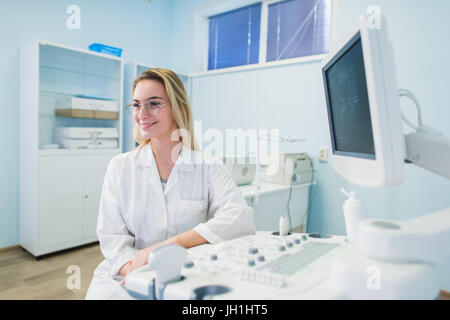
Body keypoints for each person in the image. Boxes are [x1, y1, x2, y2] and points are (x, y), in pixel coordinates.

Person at [85, 68, 255, 299]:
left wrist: (168, 246)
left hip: (185, 274)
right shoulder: (120, 166)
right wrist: (136, 272)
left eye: (153, 103)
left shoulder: (207, 166)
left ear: (177, 107)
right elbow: (112, 237)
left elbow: (239, 217)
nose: (141, 114)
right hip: (126, 275)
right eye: (136, 105)